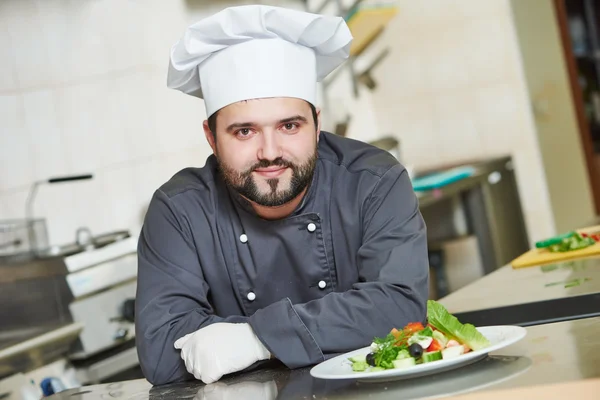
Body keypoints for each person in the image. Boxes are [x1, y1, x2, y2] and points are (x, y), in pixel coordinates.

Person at [135, 4, 429, 387]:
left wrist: (256, 340)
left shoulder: (372, 181)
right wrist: (338, 325)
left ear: (317, 124)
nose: (269, 151)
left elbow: (399, 306)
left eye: (289, 125)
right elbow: (161, 352)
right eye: (244, 131)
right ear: (211, 136)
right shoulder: (180, 210)